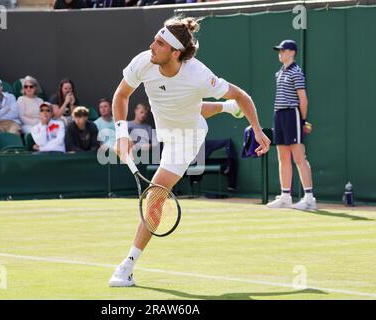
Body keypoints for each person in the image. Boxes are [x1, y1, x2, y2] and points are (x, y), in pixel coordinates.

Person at [108, 17, 270, 287]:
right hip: (168, 122)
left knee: (156, 196)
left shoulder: (198, 74)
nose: (151, 46)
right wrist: (122, 134)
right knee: (191, 107)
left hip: (187, 137)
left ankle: (127, 267)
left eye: (159, 43)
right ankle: (225, 109)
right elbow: (121, 95)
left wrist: (257, 129)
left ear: (175, 52)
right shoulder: (143, 61)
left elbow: (242, 95)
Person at [266, 40, 316, 211]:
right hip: (278, 114)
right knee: (283, 157)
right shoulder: (279, 73)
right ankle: (285, 196)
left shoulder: (296, 72)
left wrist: (302, 121)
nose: (280, 53)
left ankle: (309, 198)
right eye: (279, 50)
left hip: (292, 114)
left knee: (299, 157)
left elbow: (303, 99)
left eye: (283, 50)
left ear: (292, 53)